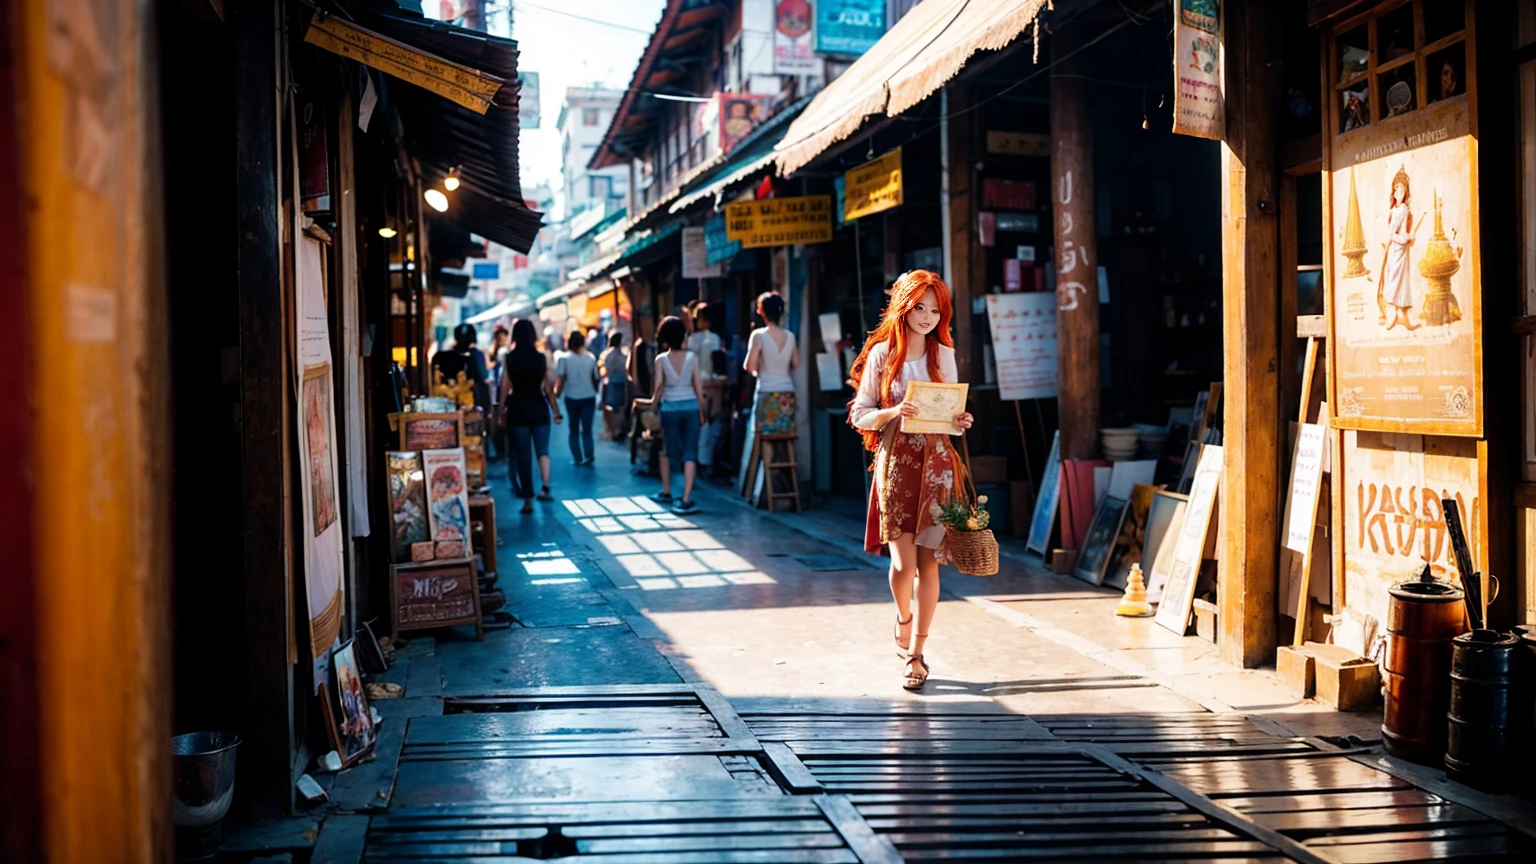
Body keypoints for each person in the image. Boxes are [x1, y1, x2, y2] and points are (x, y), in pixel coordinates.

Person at [847, 270, 974, 691]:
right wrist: (891, 412)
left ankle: (917, 655)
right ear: (903, 307)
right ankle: (903, 618)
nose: (927, 316)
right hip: (896, 463)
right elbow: (859, 413)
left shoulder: (944, 356)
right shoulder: (884, 355)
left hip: (937, 464)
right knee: (902, 563)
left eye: (935, 310)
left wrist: (961, 421)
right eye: (919, 307)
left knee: (928, 562)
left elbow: (951, 419)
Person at [633, 316, 705, 513]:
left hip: (669, 409)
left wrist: (646, 404)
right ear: (683, 336)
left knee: (667, 451)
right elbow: (698, 389)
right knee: (690, 452)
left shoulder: (661, 360)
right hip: (690, 407)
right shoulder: (692, 358)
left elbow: (657, 391)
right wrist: (702, 411)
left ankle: (667, 492)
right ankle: (686, 498)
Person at [498, 319, 562, 513]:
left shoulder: (510, 358)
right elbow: (549, 389)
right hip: (539, 409)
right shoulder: (541, 358)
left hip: (518, 410)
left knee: (523, 456)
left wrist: (501, 410)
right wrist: (556, 410)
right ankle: (545, 487)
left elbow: (504, 387)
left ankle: (527, 499)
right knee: (543, 451)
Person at [740, 292, 798, 496]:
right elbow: (795, 363)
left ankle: (762, 491)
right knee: (783, 440)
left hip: (766, 393)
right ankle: (783, 487)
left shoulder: (758, 335)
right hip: (787, 394)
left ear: (762, 312)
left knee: (764, 439)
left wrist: (761, 368)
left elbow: (749, 365)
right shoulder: (790, 336)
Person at [1377, 167, 1420, 331]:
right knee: (1393, 279)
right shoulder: (1396, 211)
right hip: (1396, 249)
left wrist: (1410, 236)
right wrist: (1404, 239)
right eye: (1397, 189)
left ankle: (1403, 315)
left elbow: (1407, 230)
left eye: (1403, 189)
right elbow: (1391, 233)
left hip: (1403, 250)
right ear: (1394, 192)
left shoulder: (1405, 210)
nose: (1400, 192)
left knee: (1403, 281)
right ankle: (1392, 312)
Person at [686, 302, 724, 475]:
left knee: (700, 426)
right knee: (712, 425)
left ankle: (699, 462)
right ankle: (708, 463)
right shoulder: (716, 339)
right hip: (713, 385)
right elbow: (719, 365)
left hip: (695, 386)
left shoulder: (691, 340)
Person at [555, 330, 600, 466]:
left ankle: (577, 457)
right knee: (587, 429)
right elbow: (595, 378)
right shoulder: (590, 358)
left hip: (572, 397)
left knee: (573, 429)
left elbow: (561, 379)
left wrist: (556, 394)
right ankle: (589, 455)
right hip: (589, 397)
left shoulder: (564, 358)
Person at [431, 323, 491, 408]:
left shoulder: (440, 357)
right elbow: (483, 376)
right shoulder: (476, 356)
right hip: (469, 404)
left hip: (442, 404)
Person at [598, 331, 630, 442]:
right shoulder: (625, 355)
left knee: (612, 407)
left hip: (612, 382)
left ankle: (614, 430)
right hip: (623, 383)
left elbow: (604, 371)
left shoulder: (607, 355)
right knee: (621, 407)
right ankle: (619, 429)